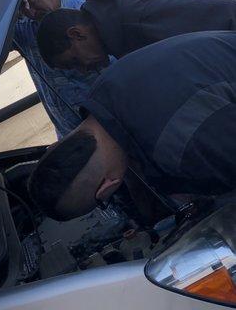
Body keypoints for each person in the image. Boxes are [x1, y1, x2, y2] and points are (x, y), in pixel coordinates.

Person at [29, 30, 236, 221]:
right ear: (56, 146)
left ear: (106, 189)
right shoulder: (103, 89)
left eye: (103, 202)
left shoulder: (177, 146)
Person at [36, 0, 236, 72]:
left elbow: (228, 16)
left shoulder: (138, 17)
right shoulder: (118, 31)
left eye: (74, 62)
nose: (83, 71)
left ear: (76, 34)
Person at [13, 0, 98, 138]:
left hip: (109, 124)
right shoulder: (23, 27)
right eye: (24, 8)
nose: (30, 12)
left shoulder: (84, 11)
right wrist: (14, 12)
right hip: (69, 135)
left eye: (32, 1)